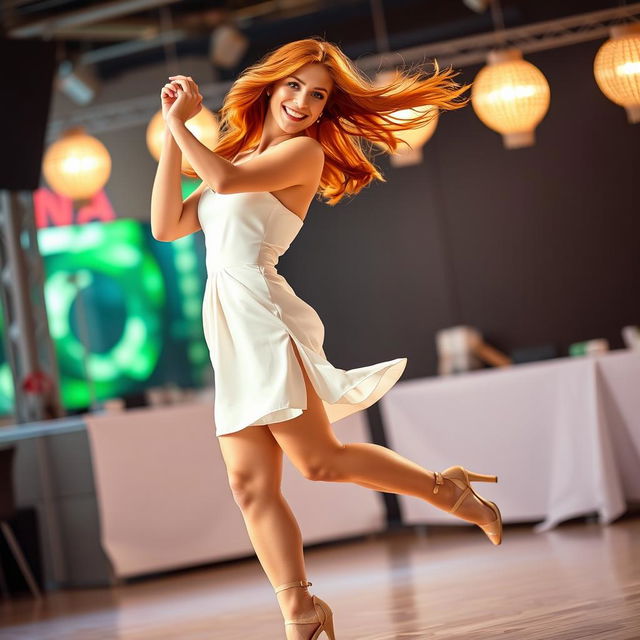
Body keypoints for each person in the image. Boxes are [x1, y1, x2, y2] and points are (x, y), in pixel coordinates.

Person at [150, 36, 502, 640]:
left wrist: (181, 127)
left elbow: (226, 181)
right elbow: (166, 226)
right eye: (295, 87)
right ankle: (300, 611)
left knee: (317, 462)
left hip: (263, 318)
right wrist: (169, 134)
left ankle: (449, 490)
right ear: (272, 84)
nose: (304, 102)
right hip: (228, 326)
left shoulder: (302, 155)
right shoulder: (233, 153)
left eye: (317, 96)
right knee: (249, 484)